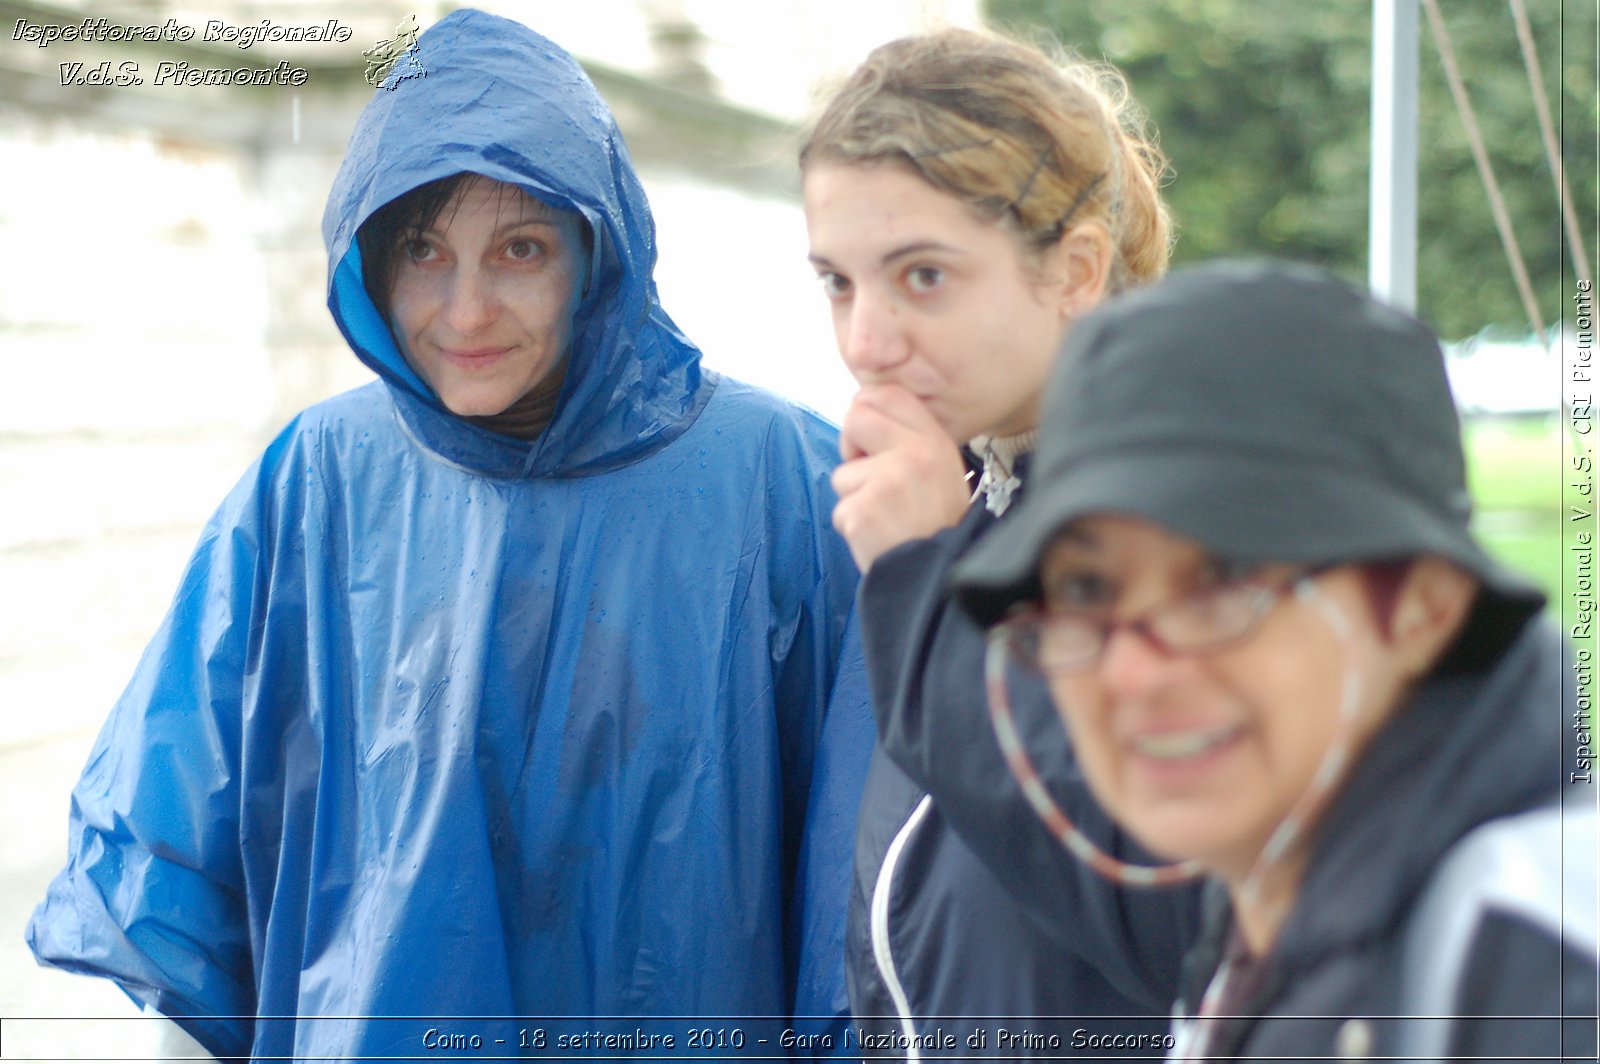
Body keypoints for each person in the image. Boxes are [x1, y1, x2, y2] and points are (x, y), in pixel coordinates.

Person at [27, 10, 871, 1061]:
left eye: (520, 249)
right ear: (371, 267)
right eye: (423, 250)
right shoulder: (317, 482)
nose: (466, 310)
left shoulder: (784, 483)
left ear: (598, 254)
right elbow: (197, 863)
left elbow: (865, 896)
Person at [952, 260, 1598, 1060]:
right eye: (1085, 586)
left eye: (1223, 578)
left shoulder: (1545, 965)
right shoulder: (1260, 929)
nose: (1132, 674)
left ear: (1425, 607)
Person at [798, 27, 1200, 1051]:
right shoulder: (978, 497)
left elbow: (1165, 914)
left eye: (921, 276)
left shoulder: (1194, 526)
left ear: (1073, 270)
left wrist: (926, 579)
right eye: (837, 282)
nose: (865, 341)